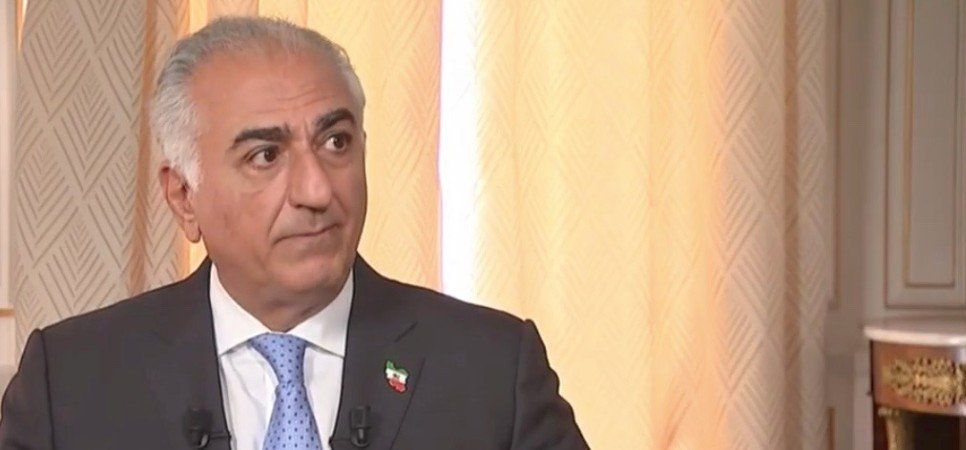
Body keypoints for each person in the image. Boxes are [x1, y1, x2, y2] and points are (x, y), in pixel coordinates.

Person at [0, 16, 587, 450]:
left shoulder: (491, 369)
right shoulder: (71, 382)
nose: (316, 190)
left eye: (336, 142)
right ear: (183, 197)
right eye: (265, 155)